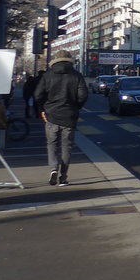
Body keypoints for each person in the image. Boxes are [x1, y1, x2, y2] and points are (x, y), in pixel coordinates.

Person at [33, 52, 89, 186]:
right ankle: (63, 177)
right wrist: (75, 107)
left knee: (51, 144)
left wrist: (43, 109)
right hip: (69, 116)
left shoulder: (48, 75)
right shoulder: (76, 75)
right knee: (66, 147)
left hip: (51, 116)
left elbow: (37, 95)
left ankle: (53, 169)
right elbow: (83, 96)